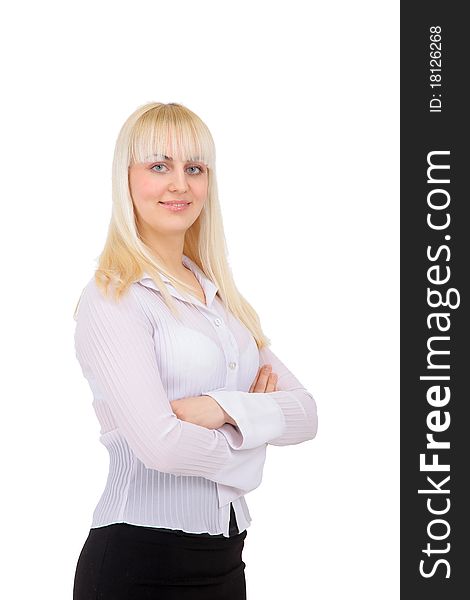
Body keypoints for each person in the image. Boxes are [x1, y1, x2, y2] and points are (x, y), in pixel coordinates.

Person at [72, 101, 318, 599]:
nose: (179, 184)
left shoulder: (222, 300)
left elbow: (307, 415)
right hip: (138, 563)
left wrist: (220, 409)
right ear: (126, 179)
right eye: (158, 166)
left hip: (226, 560)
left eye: (194, 168)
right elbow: (161, 446)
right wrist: (255, 438)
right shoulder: (113, 298)